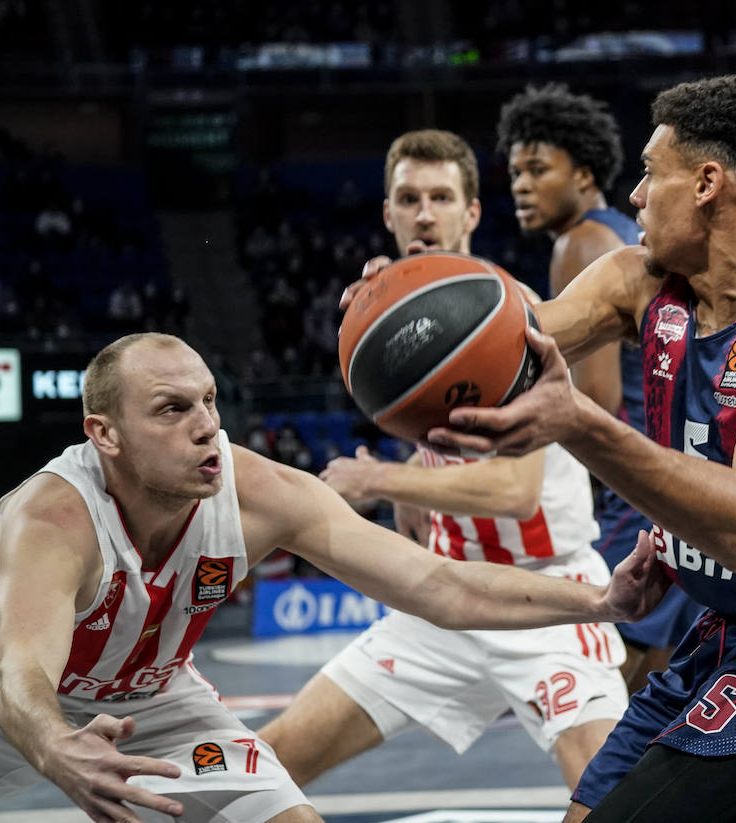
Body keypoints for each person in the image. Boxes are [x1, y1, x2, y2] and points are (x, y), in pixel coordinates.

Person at [349, 73, 736, 823]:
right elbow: (511, 347)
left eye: (652, 173)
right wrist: (413, 313)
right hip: (721, 629)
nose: (637, 198)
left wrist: (577, 423)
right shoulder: (637, 280)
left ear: (708, 183)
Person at [0, 332, 665, 823]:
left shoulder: (258, 493)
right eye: (172, 409)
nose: (205, 425)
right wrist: (54, 743)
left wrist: (600, 600)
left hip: (151, 697)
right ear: (105, 435)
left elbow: (439, 584)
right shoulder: (51, 514)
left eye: (209, 400)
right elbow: (20, 675)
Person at [257, 129, 629, 791]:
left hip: (546, 596)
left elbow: (516, 489)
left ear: (472, 213)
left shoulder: (510, 315)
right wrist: (414, 483)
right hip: (443, 595)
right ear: (388, 214)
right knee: (266, 760)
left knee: (613, 794)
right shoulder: (390, 311)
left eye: (441, 197)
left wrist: (377, 477)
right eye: (409, 198)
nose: (424, 212)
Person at [497, 83, 703, 693]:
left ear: (584, 173)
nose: (522, 185)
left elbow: (597, 397)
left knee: (598, 684)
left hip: (631, 483)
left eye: (539, 169)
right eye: (514, 172)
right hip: (674, 474)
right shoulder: (627, 233)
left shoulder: (581, 242)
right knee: (657, 692)